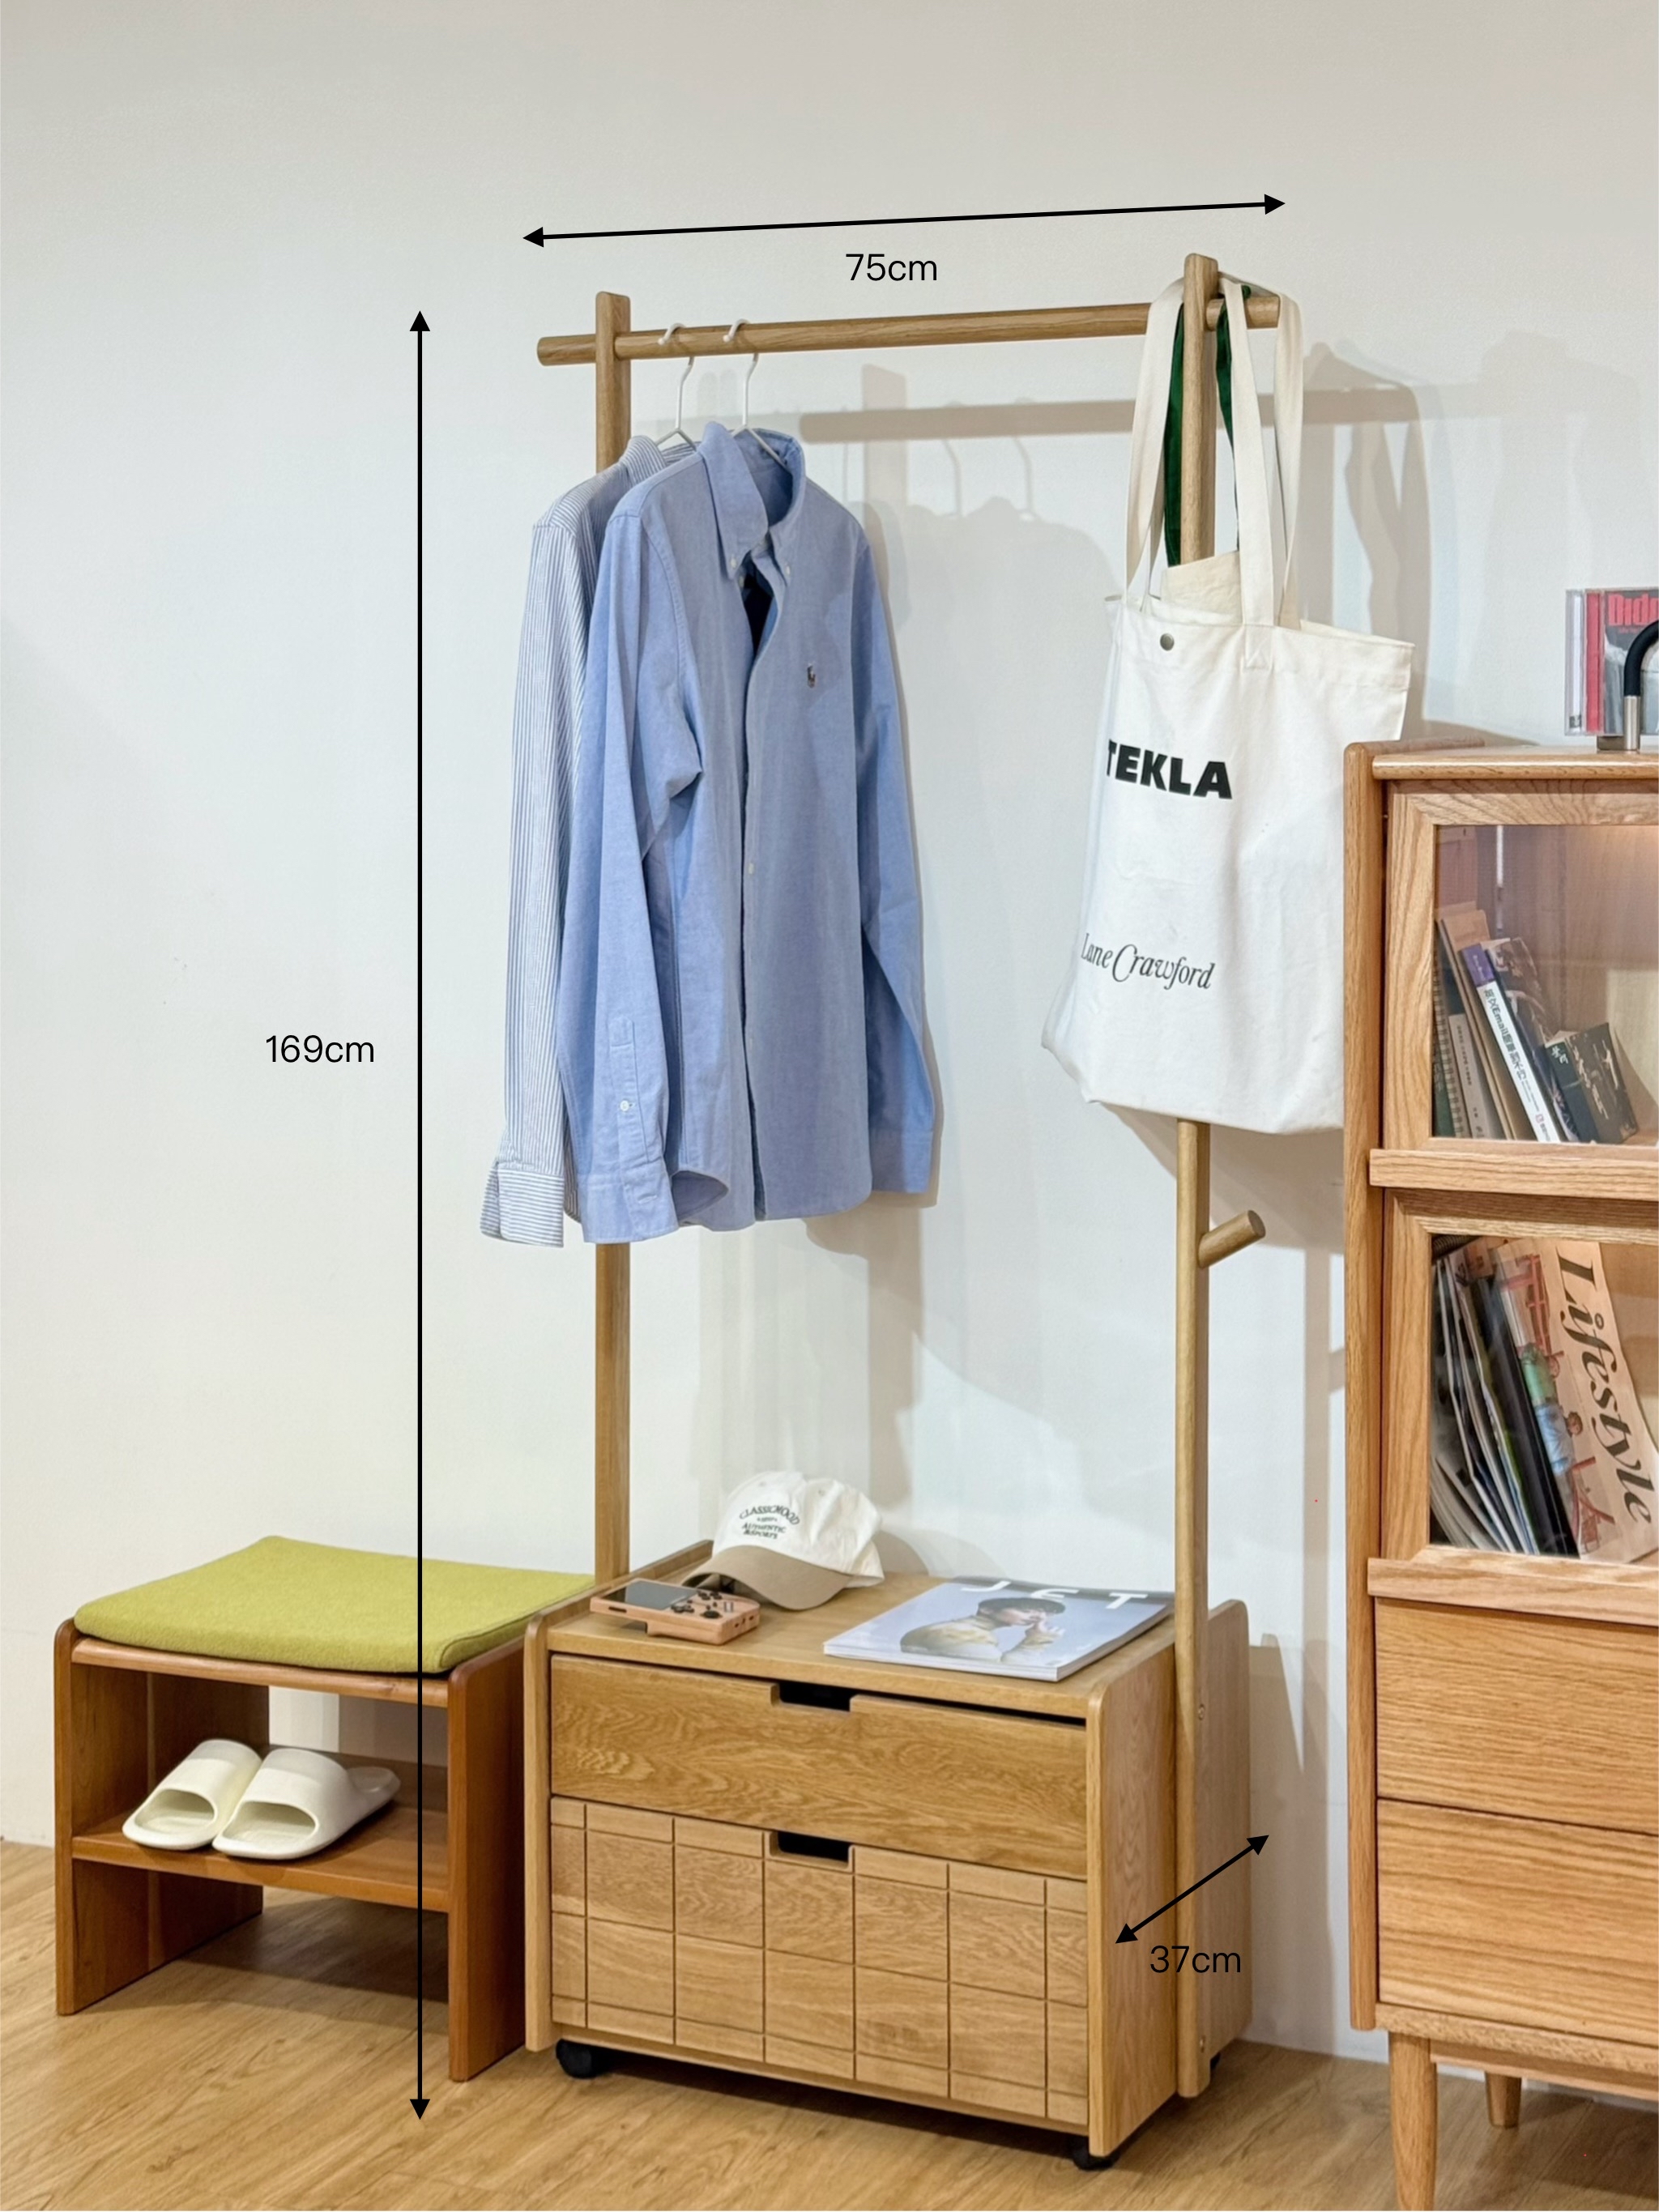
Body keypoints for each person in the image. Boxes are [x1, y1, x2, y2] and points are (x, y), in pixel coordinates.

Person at [900, 1594, 1065, 1665]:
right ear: (987, 1610)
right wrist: (1034, 1643)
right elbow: (1003, 1673)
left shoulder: (969, 1630)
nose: (1039, 1618)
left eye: (1045, 1614)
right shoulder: (959, 1632)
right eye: (1026, 1610)